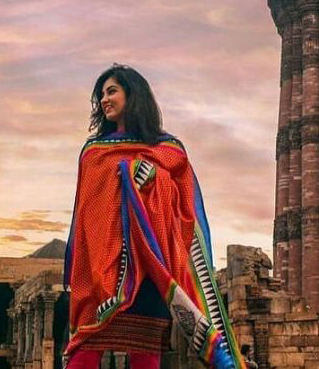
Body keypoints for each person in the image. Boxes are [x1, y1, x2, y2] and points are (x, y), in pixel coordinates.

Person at [63, 64, 246, 369]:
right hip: (98, 274)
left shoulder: (167, 149)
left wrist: (149, 180)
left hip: (150, 271)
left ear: (132, 95)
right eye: (101, 96)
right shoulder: (92, 152)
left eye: (112, 91)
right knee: (83, 355)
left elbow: (183, 207)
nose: (104, 100)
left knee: (145, 355)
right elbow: (86, 218)